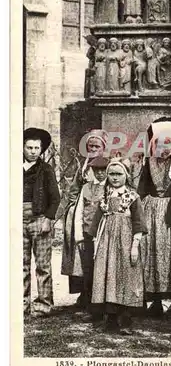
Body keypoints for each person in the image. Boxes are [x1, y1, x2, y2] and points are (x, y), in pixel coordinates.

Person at [89, 158, 147, 335]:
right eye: (111, 174)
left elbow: (139, 223)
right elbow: (97, 222)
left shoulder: (133, 197)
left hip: (126, 242)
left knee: (126, 276)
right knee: (107, 277)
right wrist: (94, 241)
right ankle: (110, 319)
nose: (115, 178)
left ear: (126, 176)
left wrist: (135, 245)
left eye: (119, 174)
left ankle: (126, 320)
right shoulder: (105, 197)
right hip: (106, 243)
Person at [137, 117, 171, 317]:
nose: (164, 148)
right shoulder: (148, 164)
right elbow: (142, 189)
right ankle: (155, 299)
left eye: (168, 143)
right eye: (160, 143)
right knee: (151, 252)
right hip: (151, 210)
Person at [61, 129, 108, 309]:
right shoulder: (83, 165)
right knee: (80, 257)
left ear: (103, 148)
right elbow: (73, 189)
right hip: (82, 211)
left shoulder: (108, 165)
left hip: (100, 213)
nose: (93, 149)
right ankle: (83, 294)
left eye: (97, 146)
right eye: (90, 146)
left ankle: (99, 296)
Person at [23, 127, 60, 318]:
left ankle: (44, 304)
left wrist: (48, 219)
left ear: (41, 149)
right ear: (23, 147)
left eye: (37, 148)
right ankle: (22, 304)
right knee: (21, 264)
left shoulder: (46, 170)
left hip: (40, 219)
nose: (33, 151)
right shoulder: (12, 167)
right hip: (18, 219)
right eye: (29, 147)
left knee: (43, 265)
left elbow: (55, 198)